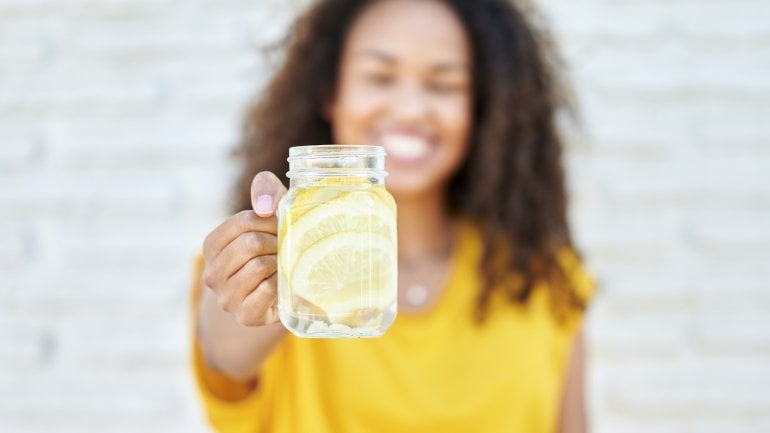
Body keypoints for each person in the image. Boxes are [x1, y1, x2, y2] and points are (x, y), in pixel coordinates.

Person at [191, 0, 594, 432]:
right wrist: (261, 276)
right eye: (380, 77)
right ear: (330, 92)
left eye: (443, 85)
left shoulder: (545, 278)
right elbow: (225, 354)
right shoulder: (274, 261)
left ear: (480, 107)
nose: (409, 110)